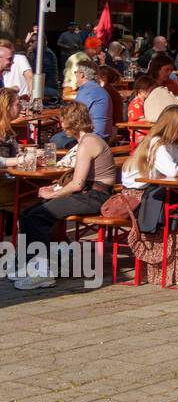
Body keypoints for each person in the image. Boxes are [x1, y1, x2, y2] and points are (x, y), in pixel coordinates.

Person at [13, 103, 118, 290]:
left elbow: (77, 183)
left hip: (95, 196)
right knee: (28, 212)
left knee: (38, 216)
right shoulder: (87, 141)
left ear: (72, 122)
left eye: (63, 120)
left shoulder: (88, 143)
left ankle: (42, 272)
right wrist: (55, 191)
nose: (61, 125)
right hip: (91, 193)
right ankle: (31, 265)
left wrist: (53, 193)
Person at [122, 106, 178, 188]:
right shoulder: (157, 143)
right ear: (176, 123)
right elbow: (173, 172)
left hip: (152, 187)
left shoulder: (172, 143)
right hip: (138, 191)